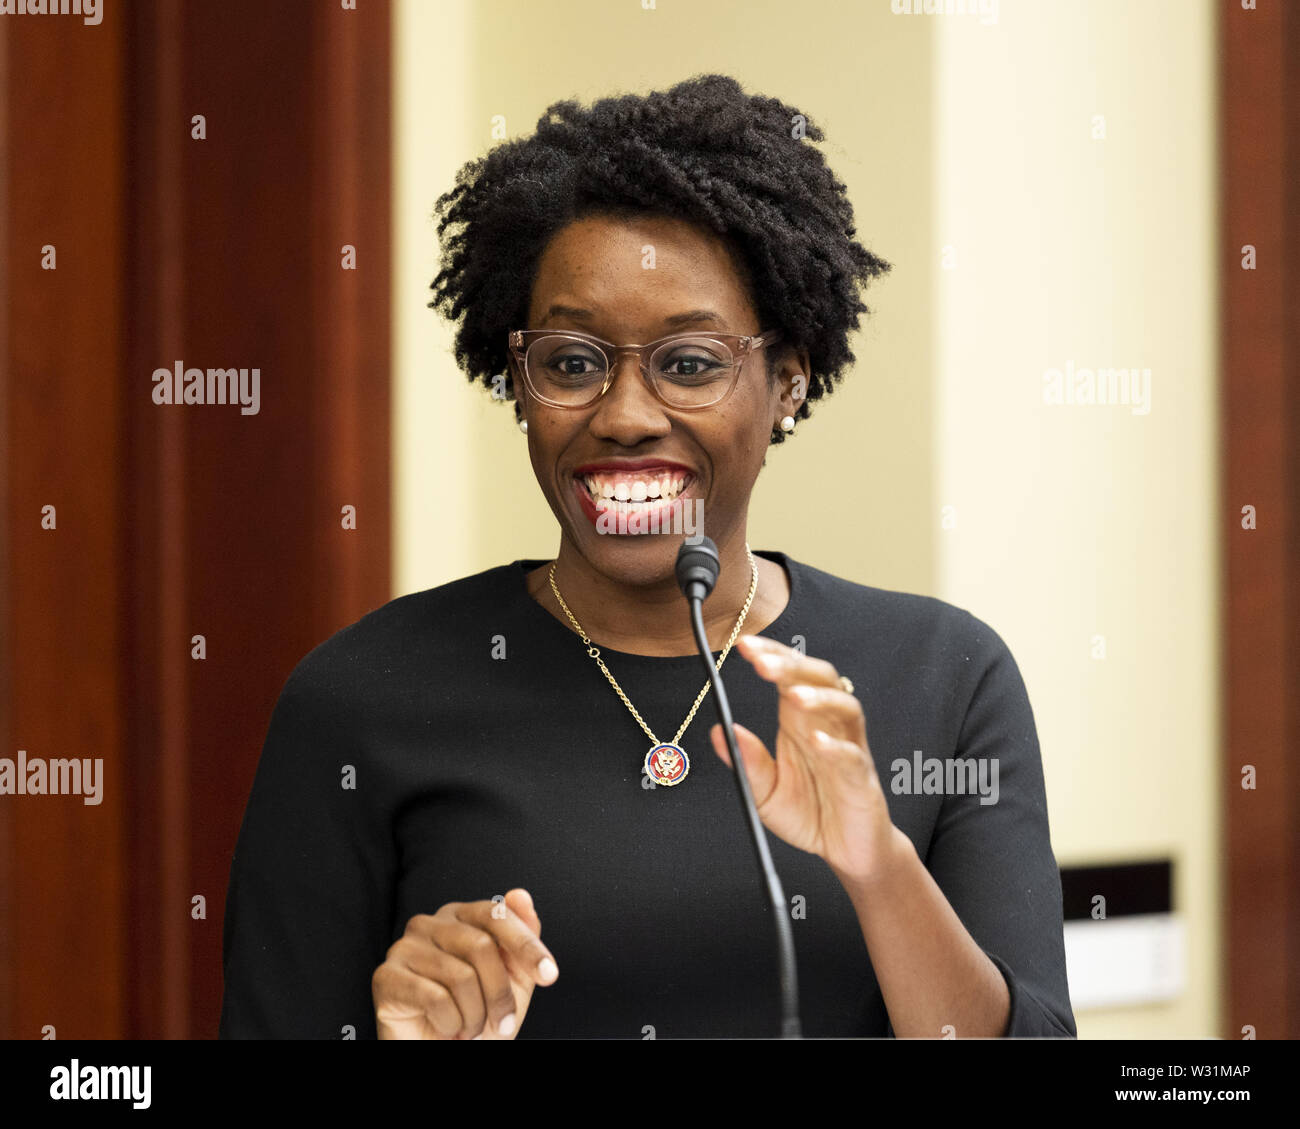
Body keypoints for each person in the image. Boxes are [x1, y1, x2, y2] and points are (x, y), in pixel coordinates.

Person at [218, 73, 1075, 1040]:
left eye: (692, 362)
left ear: (788, 380)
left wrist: (877, 867)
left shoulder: (943, 677)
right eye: (573, 362)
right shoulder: (360, 698)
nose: (625, 416)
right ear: (518, 380)